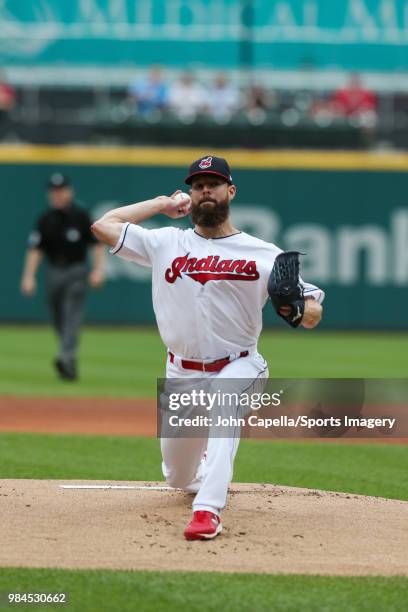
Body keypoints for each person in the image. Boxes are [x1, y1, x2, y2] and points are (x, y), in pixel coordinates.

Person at [91, 155, 324, 540]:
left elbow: (313, 310)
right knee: (177, 478)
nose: (205, 191)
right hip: (180, 373)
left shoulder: (263, 253)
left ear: (230, 191)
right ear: (191, 194)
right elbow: (104, 226)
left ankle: (208, 512)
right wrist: (161, 205)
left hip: (240, 365)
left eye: (213, 184)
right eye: (198, 185)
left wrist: (299, 307)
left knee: (224, 398)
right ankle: (199, 471)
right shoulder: (166, 242)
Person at [21, 173, 105, 380]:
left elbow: (97, 245)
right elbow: (35, 250)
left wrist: (97, 270)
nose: (57, 195)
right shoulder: (45, 219)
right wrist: (29, 276)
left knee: (71, 315)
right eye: (53, 192)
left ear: (69, 191)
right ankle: (69, 357)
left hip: (76, 271)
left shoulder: (81, 216)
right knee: (59, 318)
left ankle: (65, 358)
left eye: (60, 191)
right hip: (53, 272)